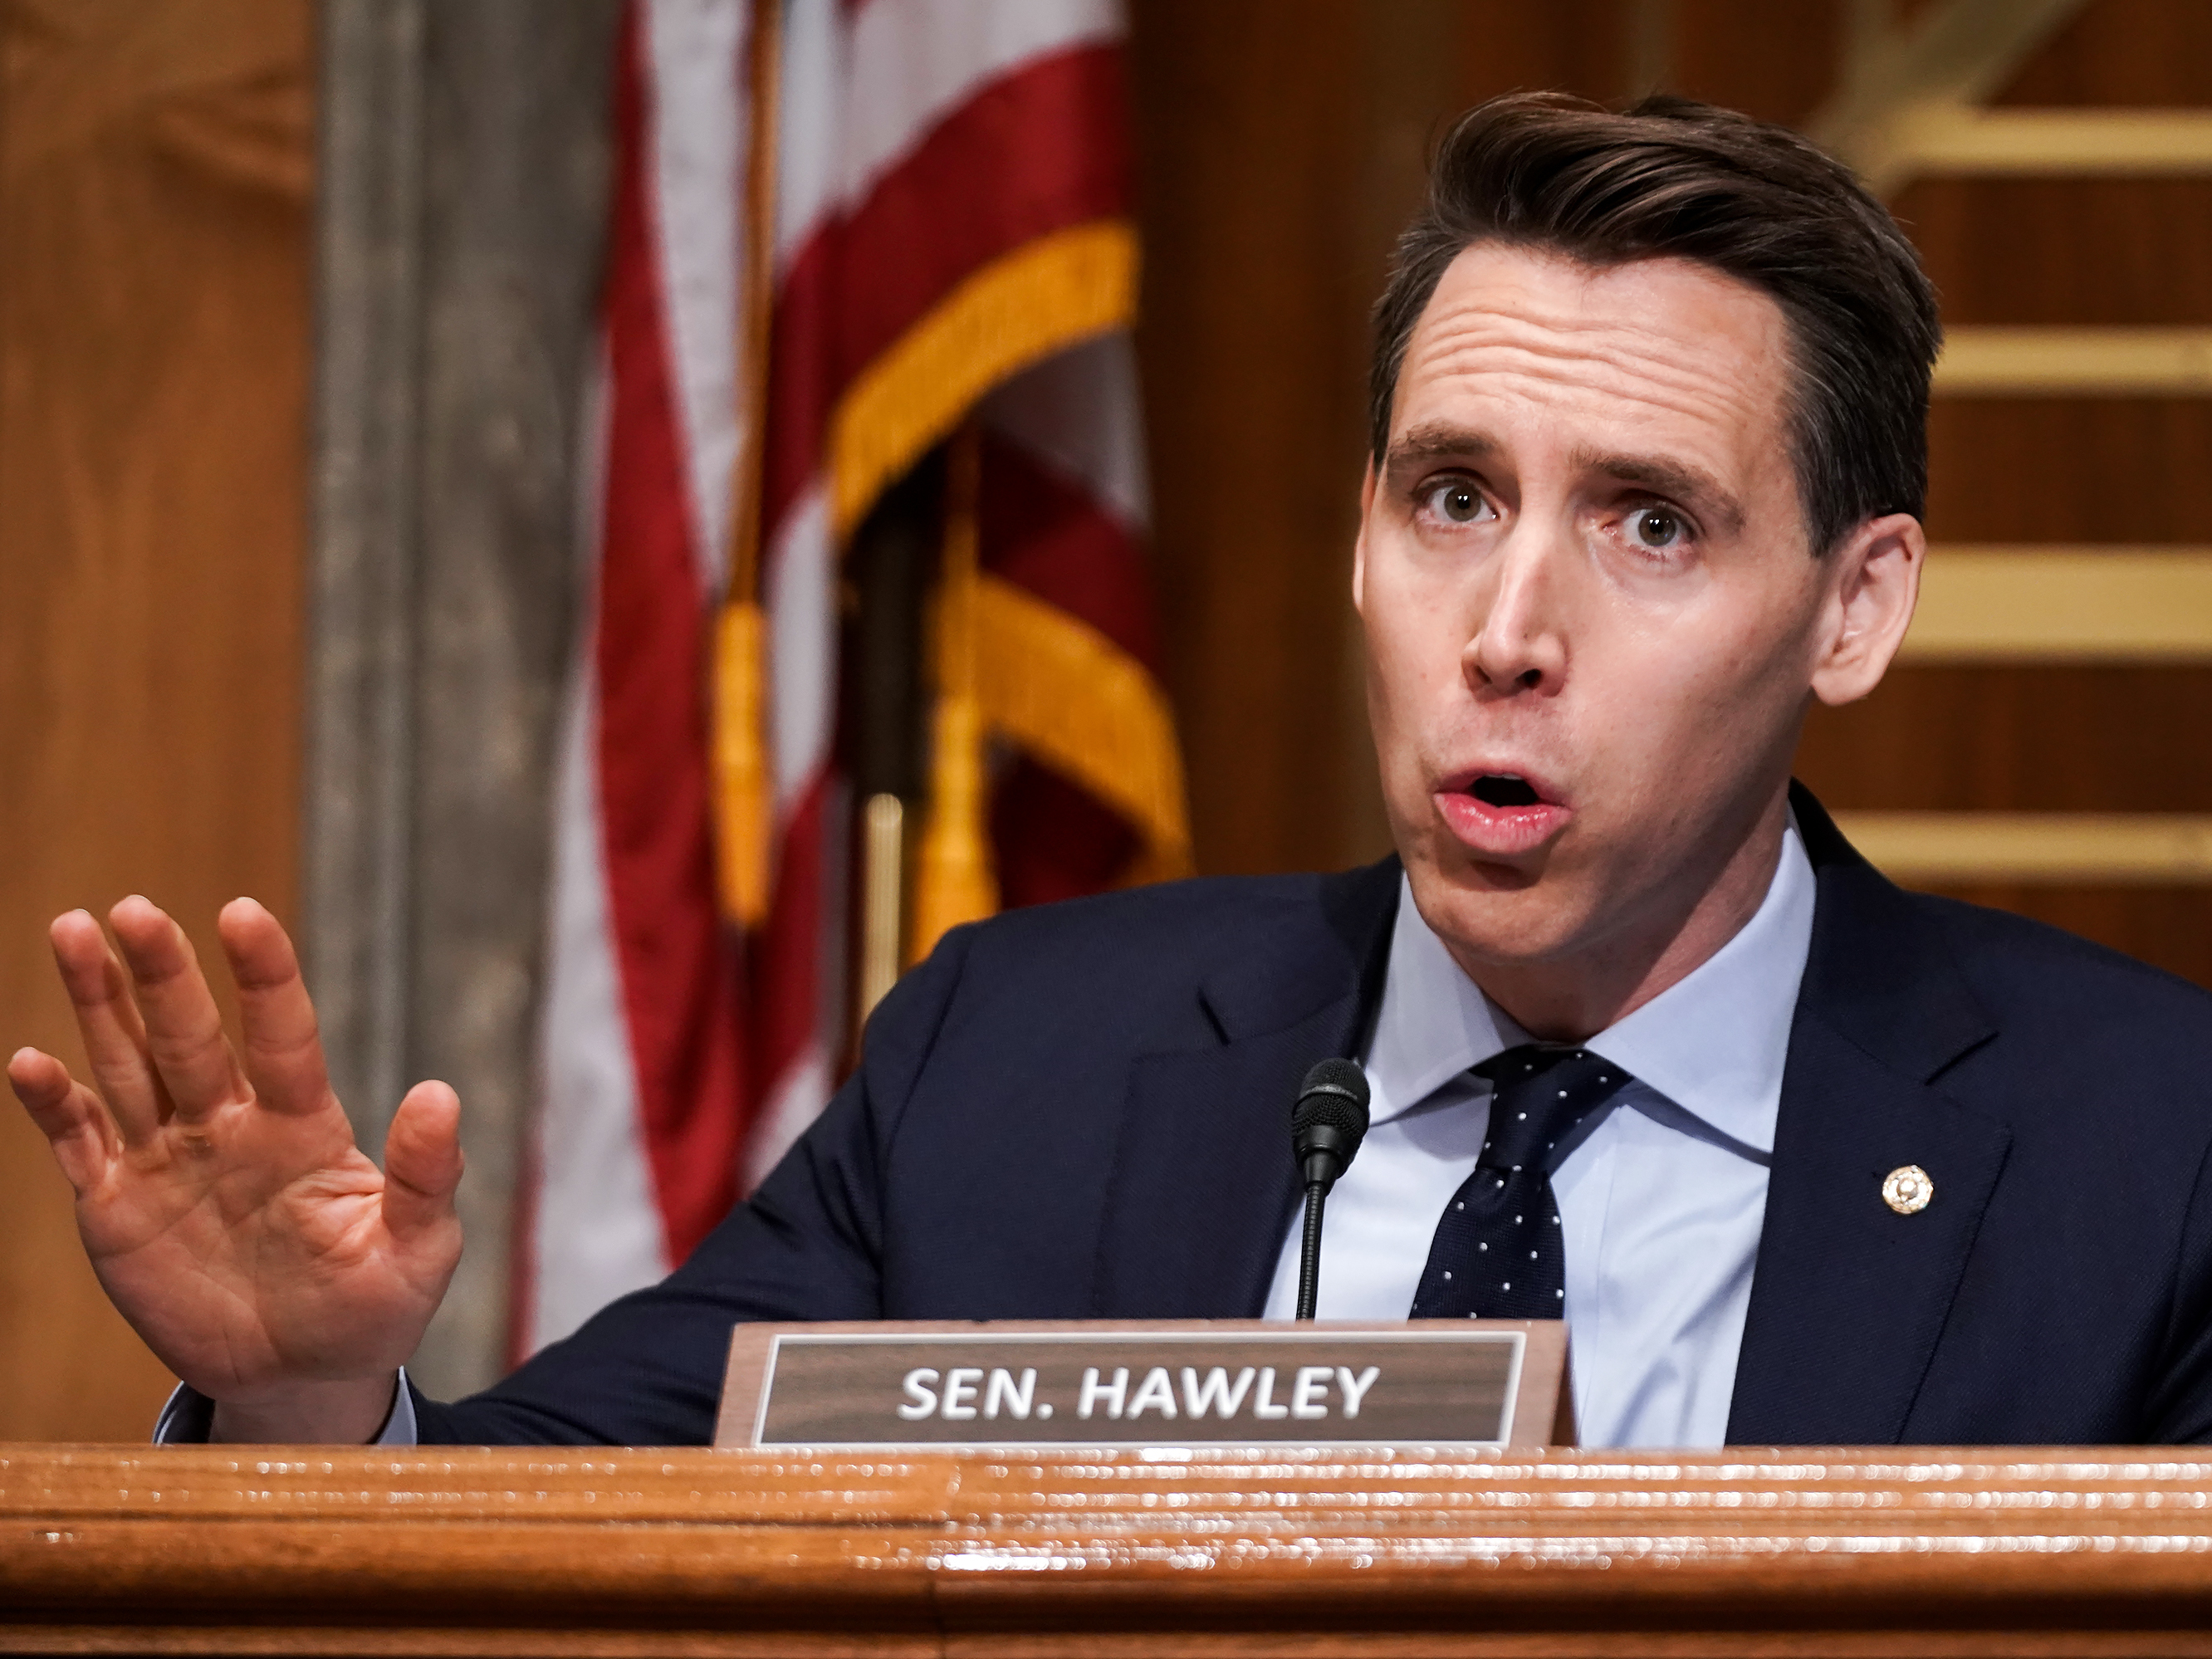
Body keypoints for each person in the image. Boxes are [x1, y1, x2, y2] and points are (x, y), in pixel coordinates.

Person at [16, 93, 2212, 1450]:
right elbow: (573, 1548)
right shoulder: (1025, 1061)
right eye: (1452, 495)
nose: (1511, 627)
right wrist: (312, 1401)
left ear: (1856, 605)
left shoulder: (2146, 1158)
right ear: (1359, 534)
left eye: (1652, 521)